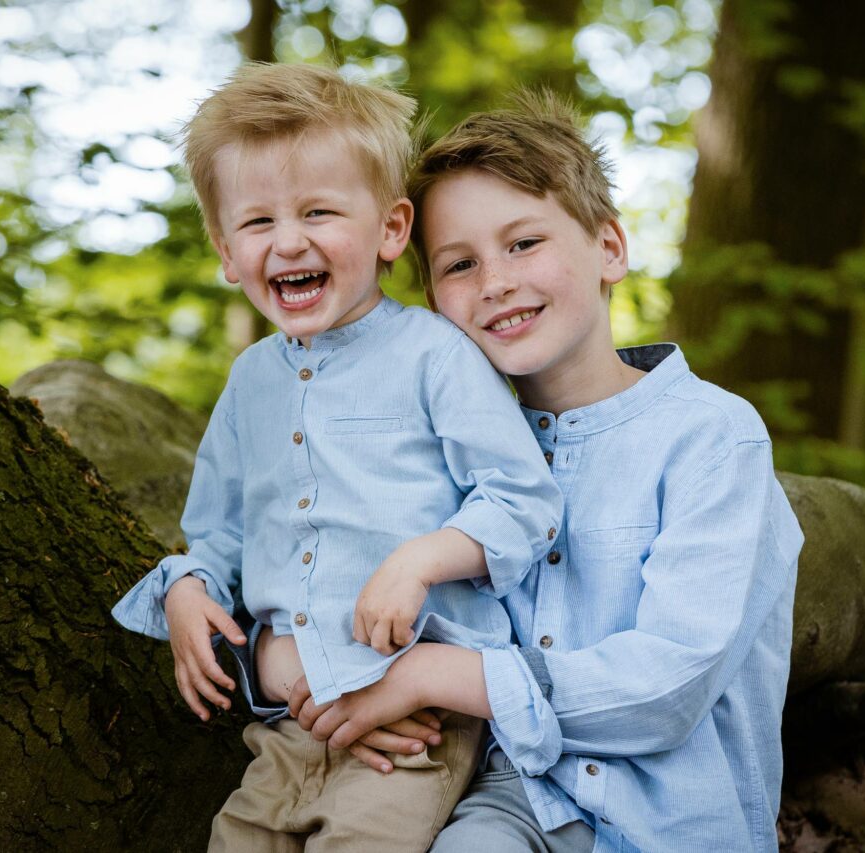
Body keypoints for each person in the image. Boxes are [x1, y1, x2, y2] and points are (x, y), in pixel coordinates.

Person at [287, 94, 804, 852]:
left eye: (524, 243)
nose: (494, 280)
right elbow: (341, 585)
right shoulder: (447, 457)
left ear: (610, 248)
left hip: (674, 825)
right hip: (512, 803)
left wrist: (431, 674)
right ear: (434, 304)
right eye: (460, 264)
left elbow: (669, 686)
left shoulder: (714, 438)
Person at [110, 64, 563, 852]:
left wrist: (419, 559)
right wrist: (186, 587)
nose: (289, 241)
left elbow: (522, 498)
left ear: (391, 230)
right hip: (291, 726)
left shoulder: (436, 354)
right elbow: (220, 537)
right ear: (224, 250)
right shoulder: (250, 381)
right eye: (257, 223)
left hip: (414, 727)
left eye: (320, 211)